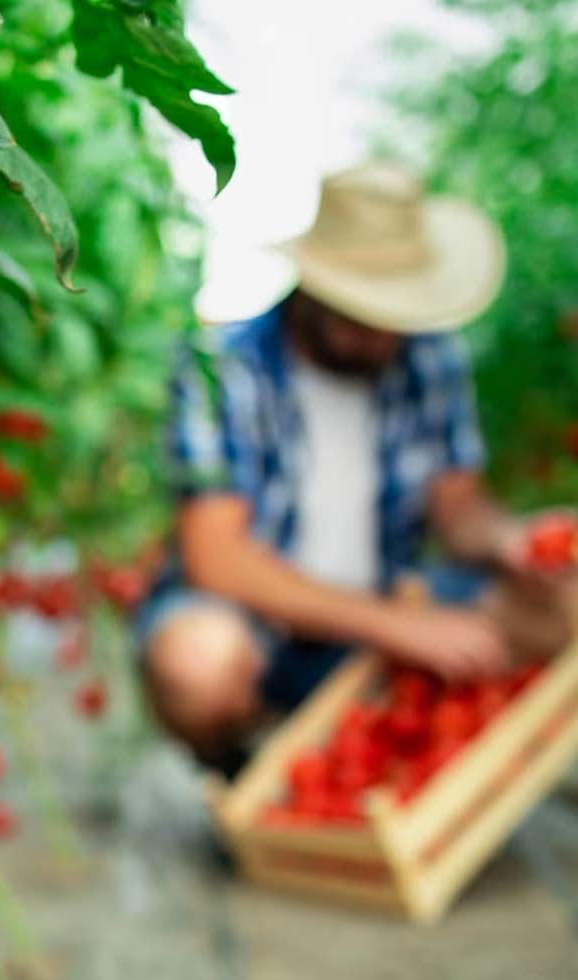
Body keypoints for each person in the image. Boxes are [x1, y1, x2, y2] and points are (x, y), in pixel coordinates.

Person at [138, 162, 573, 768]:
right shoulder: (220, 368)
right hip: (265, 630)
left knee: (570, 600)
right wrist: (396, 625)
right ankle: (243, 769)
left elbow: (458, 505)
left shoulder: (430, 360)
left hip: (388, 605)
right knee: (196, 662)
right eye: (362, 316)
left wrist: (512, 542)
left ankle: (414, 756)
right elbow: (217, 556)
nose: (384, 338)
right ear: (314, 289)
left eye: (397, 316)